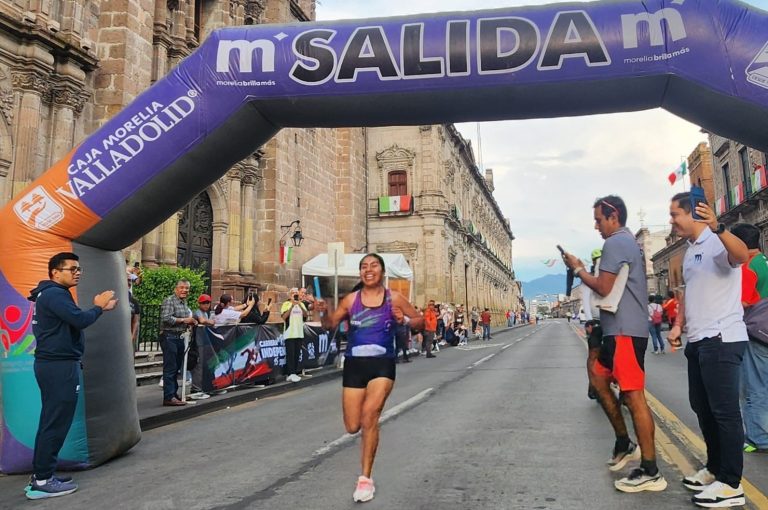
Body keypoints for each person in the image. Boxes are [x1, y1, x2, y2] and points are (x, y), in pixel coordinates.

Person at [563, 195, 666, 493]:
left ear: (613, 215)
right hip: (615, 330)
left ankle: (650, 470)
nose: (596, 226)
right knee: (597, 377)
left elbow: (604, 287)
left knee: (634, 398)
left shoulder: (617, 242)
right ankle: (624, 441)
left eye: (598, 219)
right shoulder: (622, 243)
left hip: (625, 332)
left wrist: (580, 269)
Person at [315, 253, 423, 503]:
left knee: (369, 415)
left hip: (383, 364)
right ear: (360, 273)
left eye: (374, 265)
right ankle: (365, 469)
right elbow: (330, 324)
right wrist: (323, 312)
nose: (368, 269)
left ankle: (365, 479)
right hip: (354, 365)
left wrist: (404, 319)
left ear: (382, 272)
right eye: (364, 266)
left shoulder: (393, 297)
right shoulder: (351, 299)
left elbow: (419, 322)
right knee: (353, 426)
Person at [666, 194, 750, 507]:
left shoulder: (717, 241)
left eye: (675, 214)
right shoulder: (690, 252)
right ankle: (714, 469)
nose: (671, 221)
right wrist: (677, 325)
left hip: (722, 338)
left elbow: (741, 256)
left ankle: (731, 484)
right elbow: (688, 293)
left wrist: (720, 227)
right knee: (703, 408)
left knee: (724, 412)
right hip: (699, 340)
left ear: (695, 214)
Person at [25, 252, 117, 499]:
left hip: (54, 365)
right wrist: (99, 306)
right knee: (55, 422)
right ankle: (43, 480)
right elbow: (79, 319)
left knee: (50, 421)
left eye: (79, 269)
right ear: (55, 272)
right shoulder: (55, 294)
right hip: (59, 366)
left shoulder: (50, 294)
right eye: (72, 269)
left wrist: (100, 309)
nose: (77, 272)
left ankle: (42, 474)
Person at [731, 223, 768, 454]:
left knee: (754, 387)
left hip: (757, 333)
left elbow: (742, 303)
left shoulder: (748, 267)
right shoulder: (764, 262)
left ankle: (758, 438)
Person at [160, 279, 197, 406]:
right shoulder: (169, 300)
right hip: (170, 336)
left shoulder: (184, 303)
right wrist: (184, 320)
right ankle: (169, 397)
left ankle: (173, 394)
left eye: (186, 288)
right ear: (176, 289)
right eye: (181, 287)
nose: (184, 290)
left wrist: (190, 322)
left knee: (176, 368)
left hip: (180, 337)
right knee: (170, 368)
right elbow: (166, 319)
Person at [281, 288, 308, 383]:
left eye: (296, 293)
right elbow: (284, 317)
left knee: (297, 354)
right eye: (293, 293)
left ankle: (294, 373)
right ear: (290, 295)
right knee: (290, 355)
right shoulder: (286, 304)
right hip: (290, 333)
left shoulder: (301, 304)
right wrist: (292, 306)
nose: (295, 295)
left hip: (299, 333)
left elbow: (306, 315)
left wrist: (299, 305)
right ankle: (290, 374)